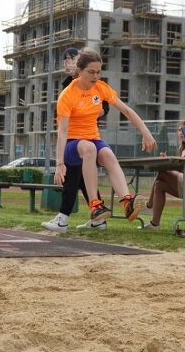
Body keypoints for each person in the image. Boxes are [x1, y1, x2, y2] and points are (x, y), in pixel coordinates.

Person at [46, 48, 156, 232]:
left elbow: (126, 111)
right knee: (89, 149)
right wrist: (59, 163)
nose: (96, 76)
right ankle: (95, 206)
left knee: (107, 154)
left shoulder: (101, 88)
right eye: (91, 72)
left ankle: (127, 201)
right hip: (72, 145)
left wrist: (146, 132)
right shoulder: (67, 94)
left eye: (98, 72)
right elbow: (62, 131)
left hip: (92, 140)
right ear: (80, 72)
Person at [41, 47, 110, 232]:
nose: (66, 63)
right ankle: (98, 218)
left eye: (70, 59)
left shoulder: (93, 83)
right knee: (80, 181)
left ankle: (63, 218)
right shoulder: (68, 85)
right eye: (65, 60)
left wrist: (87, 114)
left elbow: (104, 107)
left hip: (83, 139)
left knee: (72, 179)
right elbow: (64, 115)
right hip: (73, 139)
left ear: (78, 62)